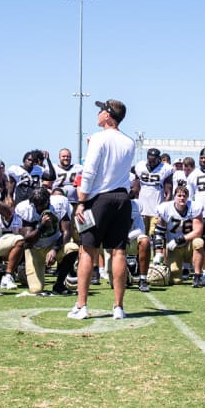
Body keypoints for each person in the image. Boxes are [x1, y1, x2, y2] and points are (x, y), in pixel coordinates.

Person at [68, 99, 136, 320]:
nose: (97, 114)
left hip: (100, 199)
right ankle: (118, 307)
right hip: (122, 199)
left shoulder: (99, 138)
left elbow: (89, 171)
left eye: (100, 111)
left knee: (87, 250)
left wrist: (81, 200)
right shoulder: (129, 141)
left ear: (108, 115)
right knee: (118, 251)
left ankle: (82, 305)